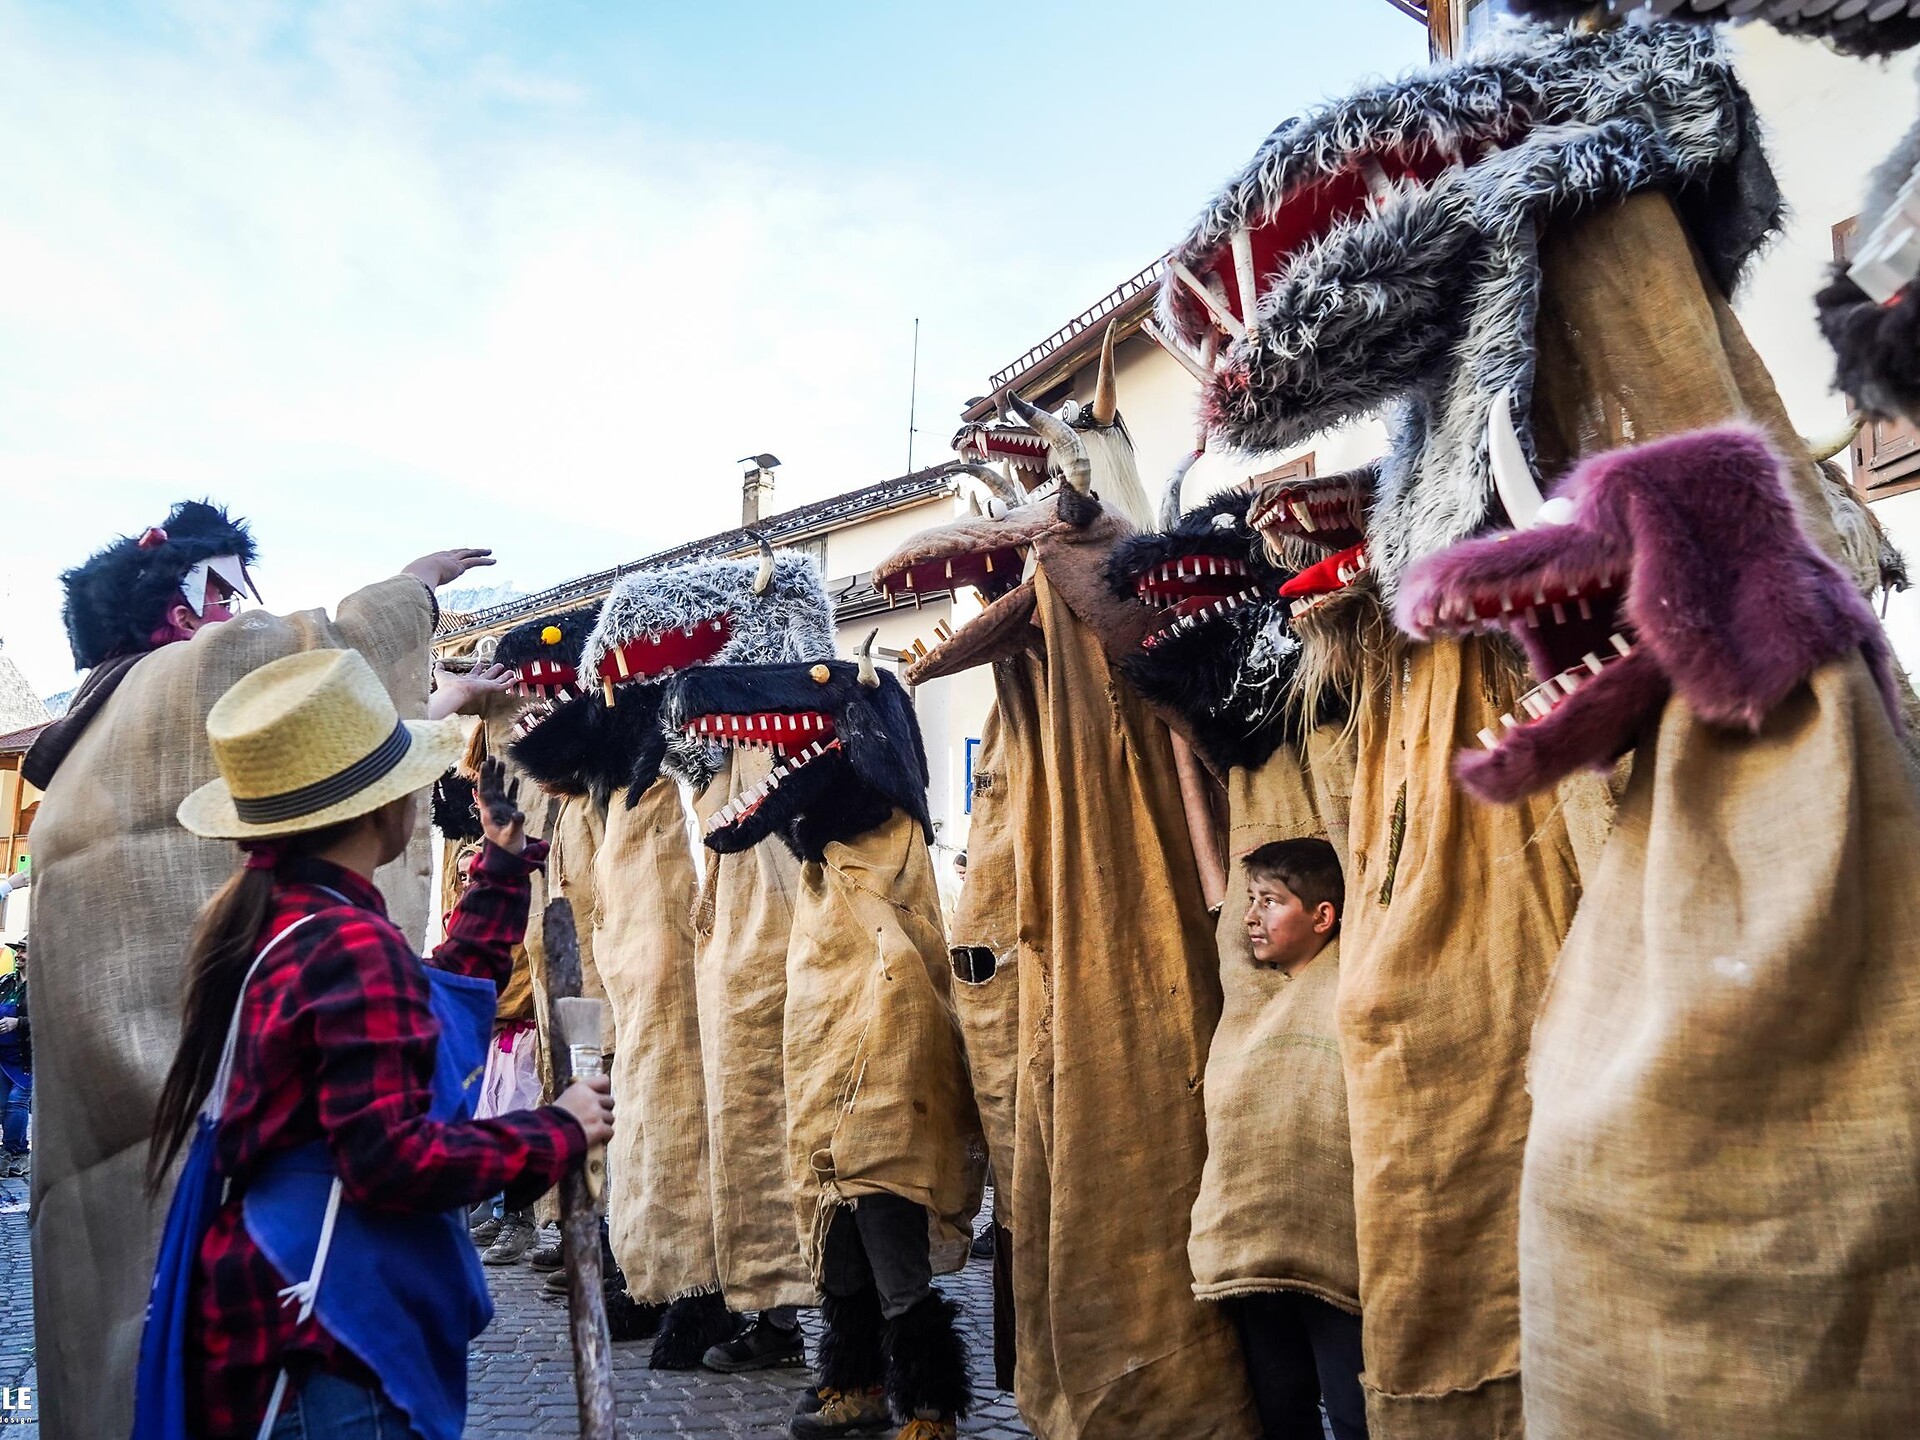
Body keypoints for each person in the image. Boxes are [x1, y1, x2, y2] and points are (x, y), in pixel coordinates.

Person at [23, 500, 503, 1440]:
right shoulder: (179, 686)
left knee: (129, 1336)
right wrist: (411, 593)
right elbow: (297, 682)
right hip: (273, 1245)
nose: (252, 611)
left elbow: (318, 749)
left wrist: (438, 707)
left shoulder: (98, 738)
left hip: (142, 1130)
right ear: (179, 608)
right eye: (233, 592)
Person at [134, 647, 615, 1440]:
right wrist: (558, 1130)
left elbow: (434, 1010)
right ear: (374, 809)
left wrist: (496, 870)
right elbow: (392, 1161)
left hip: (280, 1306)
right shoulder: (345, 940)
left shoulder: (286, 918)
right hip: (330, 1325)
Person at [1230, 839, 1364, 1440]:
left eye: (1270, 901)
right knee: (1280, 1406)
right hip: (1259, 1250)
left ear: (1323, 917)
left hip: (1338, 1258)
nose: (1251, 917)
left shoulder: (1351, 989)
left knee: (1352, 1408)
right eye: (1250, 900)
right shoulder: (1245, 996)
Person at [0, 937, 28, 1178]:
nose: (18, 954)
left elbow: (52, 1020)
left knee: (16, 1103)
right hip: (3, 1057)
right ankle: (16, 1151)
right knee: (2, 1106)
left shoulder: (44, 987)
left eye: (23, 951)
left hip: (28, 1059)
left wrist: (18, 1022)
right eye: (18, 950)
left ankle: (14, 1153)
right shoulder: (6, 982)